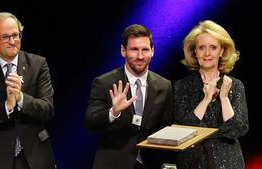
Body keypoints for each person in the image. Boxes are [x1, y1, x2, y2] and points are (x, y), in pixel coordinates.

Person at [0, 12, 56, 169]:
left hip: (35, 157)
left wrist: (21, 99)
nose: (12, 41)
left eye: (16, 35)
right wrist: (6, 107)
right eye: (5, 37)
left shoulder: (38, 64)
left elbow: (48, 110)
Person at [85, 24, 174, 169]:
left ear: (152, 51)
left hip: (150, 164)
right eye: (134, 49)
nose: (140, 56)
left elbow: (166, 126)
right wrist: (114, 112)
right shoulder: (104, 82)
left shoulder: (164, 85)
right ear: (123, 51)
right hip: (113, 163)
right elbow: (90, 123)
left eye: (145, 50)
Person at [174, 20, 249, 169]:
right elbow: (183, 129)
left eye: (213, 47)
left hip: (228, 162)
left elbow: (237, 128)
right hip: (192, 163)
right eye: (202, 48)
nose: (207, 54)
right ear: (195, 51)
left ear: (221, 51)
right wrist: (206, 99)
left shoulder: (236, 85)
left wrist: (224, 98)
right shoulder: (182, 86)